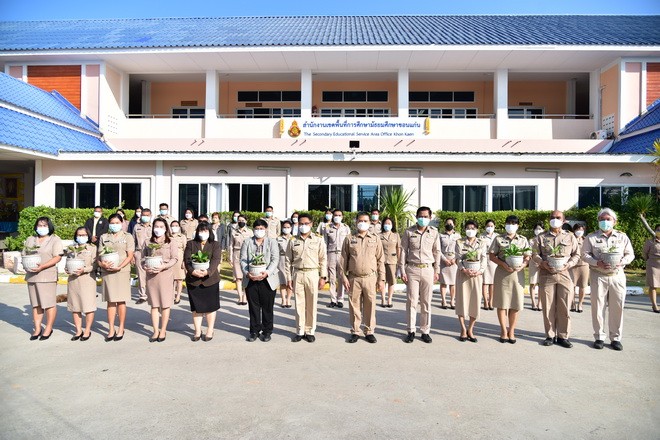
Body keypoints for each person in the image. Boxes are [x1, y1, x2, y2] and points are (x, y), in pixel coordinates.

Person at [582, 208, 635, 351]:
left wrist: (622, 262)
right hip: (598, 276)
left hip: (617, 276)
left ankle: (615, 338)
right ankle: (599, 337)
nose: (605, 222)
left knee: (617, 307)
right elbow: (584, 254)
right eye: (602, 219)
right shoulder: (591, 237)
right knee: (598, 307)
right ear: (598, 221)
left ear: (614, 221)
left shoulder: (622, 237)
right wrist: (596, 262)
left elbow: (630, 254)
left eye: (608, 219)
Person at [531, 210, 580, 348]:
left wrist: (569, 264)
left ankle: (563, 336)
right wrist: (542, 263)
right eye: (552, 217)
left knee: (564, 307)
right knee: (548, 307)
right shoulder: (541, 237)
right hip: (547, 275)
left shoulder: (570, 236)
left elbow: (576, 254)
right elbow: (534, 254)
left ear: (563, 220)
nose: (555, 219)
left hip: (565, 274)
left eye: (558, 217)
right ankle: (550, 335)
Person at [341, 212, 385, 343]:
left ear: (370, 223)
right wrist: (343, 276)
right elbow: (343, 259)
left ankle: (369, 331)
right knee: (354, 305)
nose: (363, 223)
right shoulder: (349, 238)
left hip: (370, 278)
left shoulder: (375, 239)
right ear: (356, 222)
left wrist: (381, 279)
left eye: (365, 221)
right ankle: (355, 331)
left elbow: (380, 260)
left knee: (370, 305)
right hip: (354, 278)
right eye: (360, 221)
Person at [399, 206, 441, 343]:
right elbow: (403, 250)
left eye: (425, 216)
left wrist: (437, 270)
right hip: (412, 269)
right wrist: (402, 270)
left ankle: (425, 331)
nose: (423, 219)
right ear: (416, 217)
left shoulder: (434, 232)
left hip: (428, 269)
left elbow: (437, 252)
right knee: (411, 301)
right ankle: (411, 330)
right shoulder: (409, 232)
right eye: (420, 216)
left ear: (430, 217)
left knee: (426, 302)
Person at [284, 213, 328, 342]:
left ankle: (309, 330)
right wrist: (289, 278)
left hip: (312, 273)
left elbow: (323, 259)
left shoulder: (318, 239)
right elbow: (288, 261)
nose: (303, 226)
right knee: (299, 303)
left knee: (311, 303)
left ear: (311, 224)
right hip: (297, 273)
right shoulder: (293, 240)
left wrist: (323, 277)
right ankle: (300, 330)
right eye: (301, 224)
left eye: (306, 223)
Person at [489, 214, 529, 344]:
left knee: (515, 304)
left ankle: (511, 331)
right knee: (502, 304)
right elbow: (492, 255)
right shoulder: (499, 239)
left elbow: (527, 256)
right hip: (502, 273)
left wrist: (523, 264)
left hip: (517, 275)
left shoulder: (523, 239)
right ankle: (503, 331)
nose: (510, 226)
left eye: (513, 223)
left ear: (518, 226)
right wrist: (502, 264)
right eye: (508, 223)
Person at [24, 216, 63, 340]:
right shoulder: (30, 239)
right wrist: (26, 265)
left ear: (49, 227)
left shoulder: (55, 240)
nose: (42, 228)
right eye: (39, 225)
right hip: (32, 276)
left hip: (47, 276)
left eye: (44, 225)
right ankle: (37, 329)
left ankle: (48, 328)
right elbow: (24, 254)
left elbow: (57, 257)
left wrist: (42, 266)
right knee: (36, 304)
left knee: (49, 303)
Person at [240, 219, 280, 342]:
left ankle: (267, 331)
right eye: (257, 228)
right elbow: (243, 260)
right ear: (253, 229)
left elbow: (275, 259)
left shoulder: (272, 242)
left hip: (267, 279)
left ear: (266, 229)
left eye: (261, 228)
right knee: (253, 307)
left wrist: (267, 272)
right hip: (251, 279)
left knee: (267, 308)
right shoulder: (247, 242)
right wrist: (247, 273)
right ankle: (254, 331)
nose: (259, 231)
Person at [98, 213, 135, 341]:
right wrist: (102, 264)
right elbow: (99, 255)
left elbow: (130, 255)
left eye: (117, 223)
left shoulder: (127, 236)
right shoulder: (104, 237)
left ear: (122, 223)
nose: (114, 225)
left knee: (121, 300)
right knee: (110, 301)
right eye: (112, 223)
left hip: (122, 271)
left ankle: (121, 327)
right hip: (108, 271)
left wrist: (120, 266)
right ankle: (111, 328)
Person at [184, 222, 222, 342]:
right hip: (194, 280)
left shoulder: (215, 244)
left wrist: (208, 272)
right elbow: (187, 260)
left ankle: (210, 330)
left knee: (210, 307)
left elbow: (216, 260)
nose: (203, 233)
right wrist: (192, 271)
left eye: (205, 231)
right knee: (196, 308)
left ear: (210, 232)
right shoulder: (191, 243)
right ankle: (197, 330)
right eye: (201, 230)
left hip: (210, 280)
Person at [142, 218, 179, 342]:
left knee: (165, 304)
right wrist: (145, 266)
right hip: (151, 276)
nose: (158, 229)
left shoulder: (171, 242)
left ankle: (163, 330)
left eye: (161, 227)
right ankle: (155, 331)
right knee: (154, 305)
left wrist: (164, 266)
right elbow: (142, 259)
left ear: (165, 228)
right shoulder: (147, 242)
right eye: (156, 226)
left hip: (165, 275)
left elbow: (175, 258)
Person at [455, 220, 487, 342]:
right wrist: (463, 269)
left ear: (477, 230)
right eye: (468, 228)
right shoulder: (459, 242)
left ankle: (471, 329)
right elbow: (458, 258)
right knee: (462, 301)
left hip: (476, 276)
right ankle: (463, 329)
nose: (470, 230)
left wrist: (480, 271)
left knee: (475, 302)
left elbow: (484, 258)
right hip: (463, 275)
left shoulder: (482, 243)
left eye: (473, 228)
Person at [65, 227, 97, 341]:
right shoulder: (71, 248)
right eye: (79, 235)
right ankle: (78, 330)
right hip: (73, 281)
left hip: (87, 280)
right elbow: (67, 262)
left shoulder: (92, 248)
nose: (81, 237)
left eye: (84, 235)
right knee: (75, 307)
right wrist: (67, 269)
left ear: (88, 236)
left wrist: (84, 270)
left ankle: (87, 330)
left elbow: (95, 265)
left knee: (88, 306)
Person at [322, 209, 351, 308]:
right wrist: (324, 257)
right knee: (332, 278)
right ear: (333, 216)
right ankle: (333, 299)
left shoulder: (346, 228)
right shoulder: (327, 228)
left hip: (342, 255)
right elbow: (324, 242)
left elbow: (349, 243)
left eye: (339, 215)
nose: (337, 217)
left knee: (341, 277)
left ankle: (340, 299)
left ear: (342, 217)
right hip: (331, 254)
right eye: (335, 215)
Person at [229, 214, 253, 305]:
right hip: (237, 254)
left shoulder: (250, 232)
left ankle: (245, 297)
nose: (241, 222)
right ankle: (240, 297)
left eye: (243, 220)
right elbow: (231, 245)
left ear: (246, 221)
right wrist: (230, 257)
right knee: (238, 277)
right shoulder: (233, 232)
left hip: (247, 255)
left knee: (246, 277)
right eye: (239, 220)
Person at [378, 216, 400, 308]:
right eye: (386, 223)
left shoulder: (396, 235)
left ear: (392, 225)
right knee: (382, 280)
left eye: (389, 223)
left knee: (391, 281)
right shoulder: (379, 235)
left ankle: (389, 299)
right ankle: (383, 299)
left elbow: (398, 248)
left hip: (392, 261)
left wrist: (399, 261)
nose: (387, 225)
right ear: (383, 225)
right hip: (381, 261)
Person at [132, 208, 152, 304]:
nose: (145, 217)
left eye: (147, 215)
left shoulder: (154, 226)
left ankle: (151, 293)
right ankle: (143, 295)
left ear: (151, 216)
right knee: (141, 275)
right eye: (144, 215)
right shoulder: (137, 227)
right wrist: (133, 254)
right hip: (139, 252)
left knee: (152, 273)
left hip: (152, 253)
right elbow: (133, 241)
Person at [439, 218, 461, 309]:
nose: (449, 225)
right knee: (443, 282)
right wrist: (444, 259)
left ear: (454, 225)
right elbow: (438, 250)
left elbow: (459, 249)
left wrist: (454, 259)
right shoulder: (441, 236)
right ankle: (444, 300)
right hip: (444, 260)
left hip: (453, 261)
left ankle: (452, 300)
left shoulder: (458, 236)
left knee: (453, 283)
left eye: (451, 223)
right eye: (447, 223)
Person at [570, 223, 590, 313]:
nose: (579, 231)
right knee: (572, 286)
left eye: (581, 230)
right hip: (572, 265)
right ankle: (572, 303)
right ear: (574, 230)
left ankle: (580, 304)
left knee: (583, 285)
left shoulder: (586, 240)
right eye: (578, 229)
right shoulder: (570, 239)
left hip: (584, 265)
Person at [480, 219, 498, 310]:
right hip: (485, 259)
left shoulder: (497, 236)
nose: (489, 228)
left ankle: (491, 301)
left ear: (494, 227)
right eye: (488, 226)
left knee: (492, 282)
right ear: (485, 227)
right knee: (485, 282)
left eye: (491, 226)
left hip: (494, 260)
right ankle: (485, 301)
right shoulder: (481, 236)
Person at [276, 220, 294, 308]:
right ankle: (283, 299)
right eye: (284, 227)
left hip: (291, 261)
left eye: (288, 227)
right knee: (283, 281)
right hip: (281, 260)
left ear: (291, 228)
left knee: (290, 282)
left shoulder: (294, 239)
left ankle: (288, 299)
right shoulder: (278, 239)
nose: (286, 229)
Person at [528, 222, 545, 311]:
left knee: (541, 284)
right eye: (536, 229)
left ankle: (540, 303)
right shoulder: (531, 240)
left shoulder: (545, 240)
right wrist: (535, 261)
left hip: (543, 264)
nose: (538, 230)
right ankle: (533, 303)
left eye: (540, 229)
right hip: (533, 263)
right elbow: (529, 252)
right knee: (533, 283)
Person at [643, 224, 660, 313]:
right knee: (653, 286)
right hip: (653, 266)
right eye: (658, 230)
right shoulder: (650, 242)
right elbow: (644, 253)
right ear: (655, 231)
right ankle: (654, 305)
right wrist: (650, 260)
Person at [170, 220, 186, 305]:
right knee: (171, 279)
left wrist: (184, 261)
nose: (174, 227)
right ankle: (171, 296)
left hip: (180, 259)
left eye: (176, 225)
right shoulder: (168, 236)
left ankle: (178, 297)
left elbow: (186, 249)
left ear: (179, 227)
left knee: (179, 279)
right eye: (173, 226)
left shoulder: (182, 237)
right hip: (170, 260)